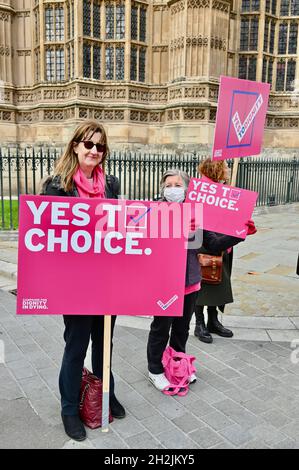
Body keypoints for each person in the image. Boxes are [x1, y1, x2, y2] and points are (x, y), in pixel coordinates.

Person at [41, 120, 125, 441]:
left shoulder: (111, 185)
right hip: (76, 283)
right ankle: (68, 408)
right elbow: (48, 235)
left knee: (105, 343)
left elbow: (123, 227)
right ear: (75, 146)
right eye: (88, 144)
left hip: (107, 280)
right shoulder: (57, 186)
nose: (93, 150)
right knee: (77, 345)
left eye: (99, 146)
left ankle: (106, 393)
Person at [146, 169, 256, 392]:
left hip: (190, 280)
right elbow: (147, 243)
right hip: (165, 282)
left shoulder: (195, 213)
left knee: (181, 328)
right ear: (162, 188)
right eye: (169, 185)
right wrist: (175, 228)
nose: (173, 189)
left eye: (178, 185)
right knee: (161, 327)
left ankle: (178, 364)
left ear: (187, 189)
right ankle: (155, 369)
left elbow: (213, 244)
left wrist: (240, 232)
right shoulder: (153, 211)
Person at [193, 158, 256, 343]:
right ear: (216, 169)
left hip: (223, 243)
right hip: (206, 244)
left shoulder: (225, 189)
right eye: (226, 166)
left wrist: (242, 224)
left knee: (218, 283)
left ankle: (213, 321)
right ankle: (199, 324)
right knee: (203, 286)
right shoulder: (203, 191)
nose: (228, 169)